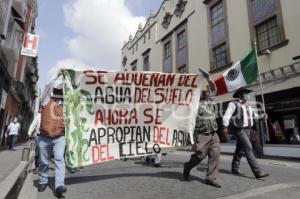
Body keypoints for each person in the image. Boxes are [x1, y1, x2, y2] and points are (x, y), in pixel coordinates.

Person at [183, 72, 221, 188]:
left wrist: (208, 78)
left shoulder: (209, 101)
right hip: (201, 134)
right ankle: (187, 166)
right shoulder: (192, 105)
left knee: (215, 154)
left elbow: (214, 89)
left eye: (204, 92)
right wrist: (193, 138)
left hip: (213, 133)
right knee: (200, 155)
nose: (204, 93)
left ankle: (211, 178)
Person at [222, 87, 269, 179]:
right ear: (240, 94)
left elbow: (253, 116)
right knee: (248, 148)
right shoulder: (233, 104)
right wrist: (225, 127)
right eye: (246, 93)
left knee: (239, 149)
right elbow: (226, 116)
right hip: (239, 130)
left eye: (248, 93)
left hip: (248, 130)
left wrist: (261, 117)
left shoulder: (248, 105)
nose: (248, 95)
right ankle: (257, 172)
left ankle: (234, 168)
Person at [38, 74, 67, 197]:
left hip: (59, 137)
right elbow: (48, 85)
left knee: (60, 160)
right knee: (43, 161)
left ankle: (59, 185)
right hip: (44, 137)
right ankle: (43, 181)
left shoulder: (67, 105)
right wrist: (57, 75)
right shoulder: (46, 99)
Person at [28, 107, 41, 173]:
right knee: (38, 151)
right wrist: (30, 132)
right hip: (39, 136)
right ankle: (37, 166)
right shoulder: (38, 116)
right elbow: (33, 124)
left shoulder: (50, 115)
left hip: (47, 136)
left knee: (45, 152)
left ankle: (41, 167)